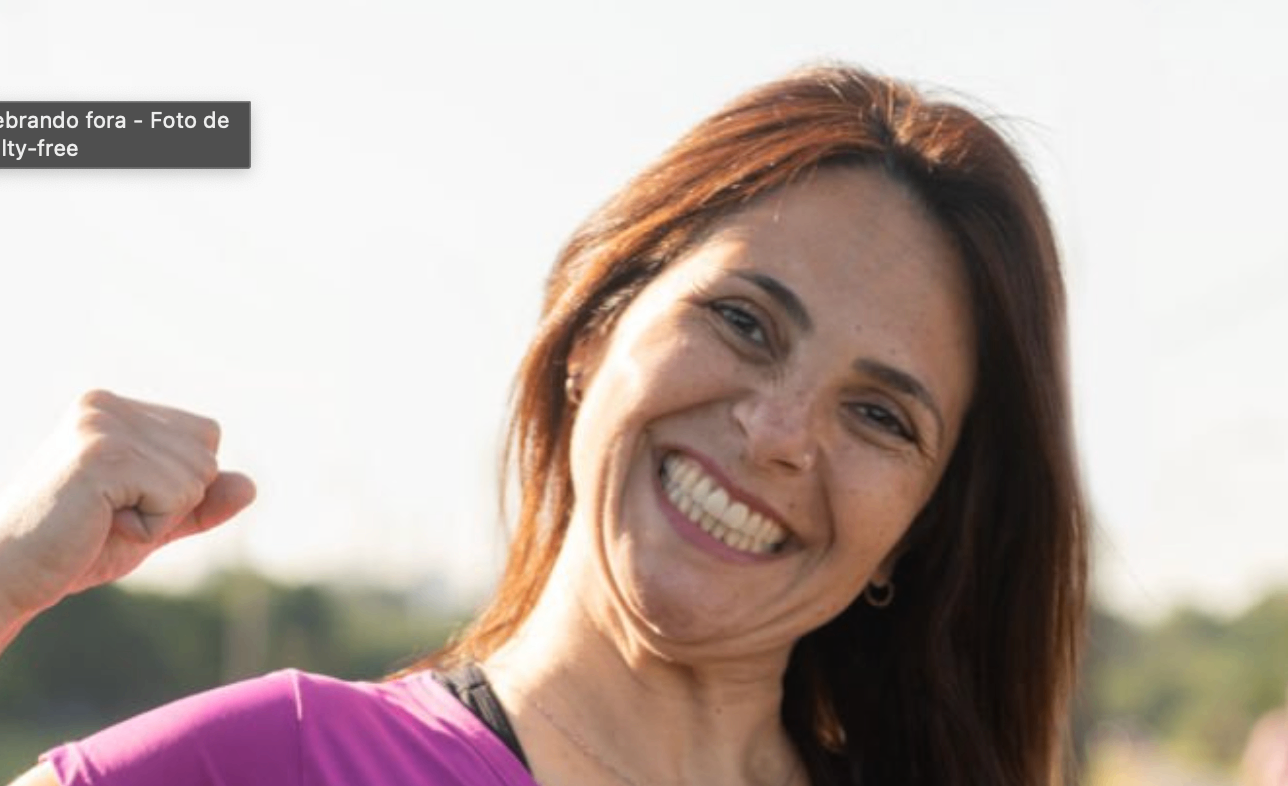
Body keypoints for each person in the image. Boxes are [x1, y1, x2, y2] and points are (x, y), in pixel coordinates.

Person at [2, 64, 1087, 786]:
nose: (776, 432)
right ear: (592, 333)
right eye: (742, 322)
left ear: (920, 524)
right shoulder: (278, 762)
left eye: (878, 415)